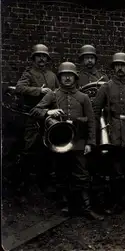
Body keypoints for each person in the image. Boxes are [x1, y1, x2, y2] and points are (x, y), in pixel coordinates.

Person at [30, 62, 103, 220]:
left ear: (76, 78)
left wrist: (90, 143)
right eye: (64, 75)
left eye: (71, 75)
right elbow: (34, 111)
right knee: (61, 174)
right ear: (60, 77)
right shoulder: (53, 94)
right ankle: (65, 206)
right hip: (59, 142)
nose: (67, 78)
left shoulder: (83, 97)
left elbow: (91, 121)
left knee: (82, 175)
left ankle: (86, 207)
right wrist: (49, 111)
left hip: (78, 142)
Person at [92, 52, 125, 214]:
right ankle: (114, 203)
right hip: (112, 133)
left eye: (123, 66)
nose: (120, 68)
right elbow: (95, 111)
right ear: (113, 68)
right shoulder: (106, 87)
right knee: (114, 171)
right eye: (117, 65)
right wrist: (97, 134)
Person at [15, 44, 59, 196]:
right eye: (38, 56)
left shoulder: (53, 75)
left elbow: (58, 93)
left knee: (48, 149)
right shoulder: (29, 73)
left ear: (47, 59)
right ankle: (24, 185)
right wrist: (39, 90)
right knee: (29, 149)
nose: (41, 59)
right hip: (32, 117)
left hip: (49, 117)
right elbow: (19, 88)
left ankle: (44, 183)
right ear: (33, 58)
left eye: (44, 56)